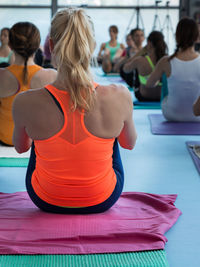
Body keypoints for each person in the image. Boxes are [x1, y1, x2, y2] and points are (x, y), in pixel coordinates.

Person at [12, 8, 137, 214]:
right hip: (103, 199)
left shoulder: (25, 101)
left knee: (38, 139)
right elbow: (129, 143)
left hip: (45, 199)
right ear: (93, 46)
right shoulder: (120, 95)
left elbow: (21, 148)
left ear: (51, 46)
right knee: (113, 137)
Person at [0, 22, 57, 146]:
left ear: (10, 44)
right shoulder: (52, 75)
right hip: (36, 138)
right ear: (37, 46)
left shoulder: (2, 75)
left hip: (5, 137)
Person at [147, 17, 200, 121]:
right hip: (197, 116)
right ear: (197, 37)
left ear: (177, 37)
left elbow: (149, 84)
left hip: (171, 115)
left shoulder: (165, 61)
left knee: (167, 81)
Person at [123, 31, 167, 101]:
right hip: (161, 97)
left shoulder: (140, 60)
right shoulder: (167, 60)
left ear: (149, 43)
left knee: (136, 68)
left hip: (144, 96)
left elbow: (125, 69)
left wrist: (140, 52)